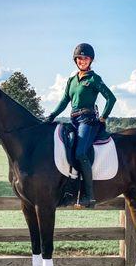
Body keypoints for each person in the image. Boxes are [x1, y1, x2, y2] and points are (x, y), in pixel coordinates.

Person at [46, 43, 116, 208]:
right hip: (73, 120)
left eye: (85, 58)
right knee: (64, 147)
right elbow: (64, 101)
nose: (82, 61)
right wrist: (52, 115)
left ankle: (89, 196)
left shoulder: (94, 79)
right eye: (79, 58)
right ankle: (69, 191)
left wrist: (103, 117)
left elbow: (111, 98)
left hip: (88, 121)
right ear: (75, 60)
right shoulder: (71, 80)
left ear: (90, 60)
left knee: (80, 152)